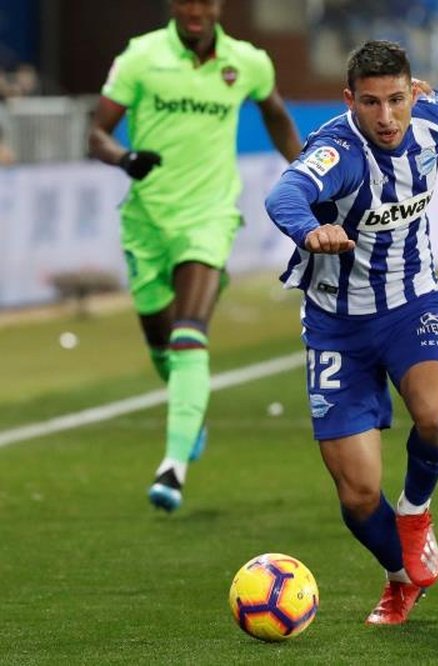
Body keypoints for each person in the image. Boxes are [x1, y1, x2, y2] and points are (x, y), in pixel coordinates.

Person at [264, 41, 438, 626]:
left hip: (412, 304)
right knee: (355, 495)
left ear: (415, 92)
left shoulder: (432, 116)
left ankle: (416, 510)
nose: (386, 117)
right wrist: (309, 230)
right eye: (371, 103)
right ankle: (400, 577)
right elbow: (285, 192)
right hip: (336, 327)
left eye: (397, 100)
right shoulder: (339, 151)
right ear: (350, 99)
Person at [88, 0, 301, 511]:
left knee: (189, 335)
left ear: (218, 6)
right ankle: (192, 409)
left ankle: (173, 466)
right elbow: (95, 134)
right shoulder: (141, 57)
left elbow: (275, 115)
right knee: (163, 345)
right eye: (186, 1)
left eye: (204, 1)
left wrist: (309, 175)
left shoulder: (247, 62)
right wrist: (125, 158)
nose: (195, 10)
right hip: (146, 223)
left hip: (210, 217)